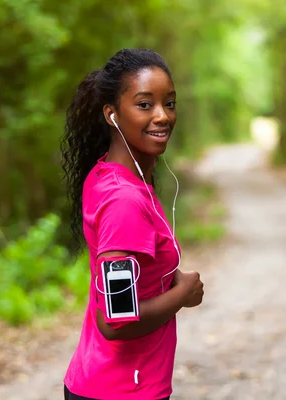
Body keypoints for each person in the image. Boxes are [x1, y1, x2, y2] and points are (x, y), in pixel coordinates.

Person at [60, 48, 205, 400]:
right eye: (144, 105)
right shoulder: (125, 199)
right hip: (120, 391)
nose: (162, 116)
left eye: (169, 103)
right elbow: (115, 321)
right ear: (112, 114)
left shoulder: (109, 175)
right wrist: (181, 295)